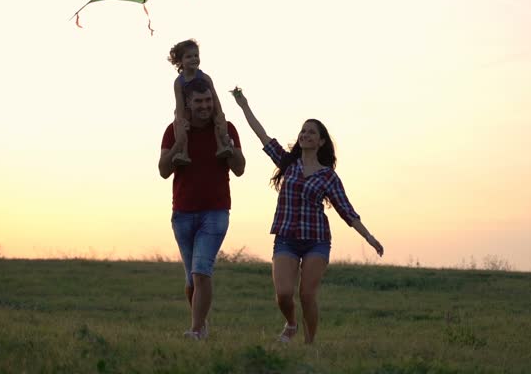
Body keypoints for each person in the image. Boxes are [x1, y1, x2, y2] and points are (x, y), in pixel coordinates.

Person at [230, 87, 383, 344]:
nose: (306, 134)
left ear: (321, 141)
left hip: (316, 241)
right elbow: (262, 135)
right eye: (303, 130)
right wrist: (244, 105)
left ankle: (310, 343)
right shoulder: (288, 162)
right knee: (284, 294)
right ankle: (291, 323)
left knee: (307, 295)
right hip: (286, 238)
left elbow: (347, 211)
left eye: (312, 132)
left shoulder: (328, 176)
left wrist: (369, 237)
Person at [158, 78, 246, 340]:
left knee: (201, 271)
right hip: (183, 213)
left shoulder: (226, 128)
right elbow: (163, 170)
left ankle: (196, 330)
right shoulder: (173, 130)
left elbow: (240, 169)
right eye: (198, 101)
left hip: (216, 212)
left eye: (208, 100)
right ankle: (202, 324)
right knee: (191, 281)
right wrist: (178, 143)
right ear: (188, 104)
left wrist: (228, 145)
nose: (205, 106)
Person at [167, 39, 233, 166]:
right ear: (180, 61)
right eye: (189, 56)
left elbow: (214, 97)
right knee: (178, 124)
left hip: (207, 107)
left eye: (196, 55)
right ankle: (183, 153)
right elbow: (179, 104)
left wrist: (219, 113)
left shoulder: (205, 77)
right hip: (187, 109)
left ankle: (222, 146)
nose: (194, 59)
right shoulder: (179, 82)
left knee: (217, 120)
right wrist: (180, 120)